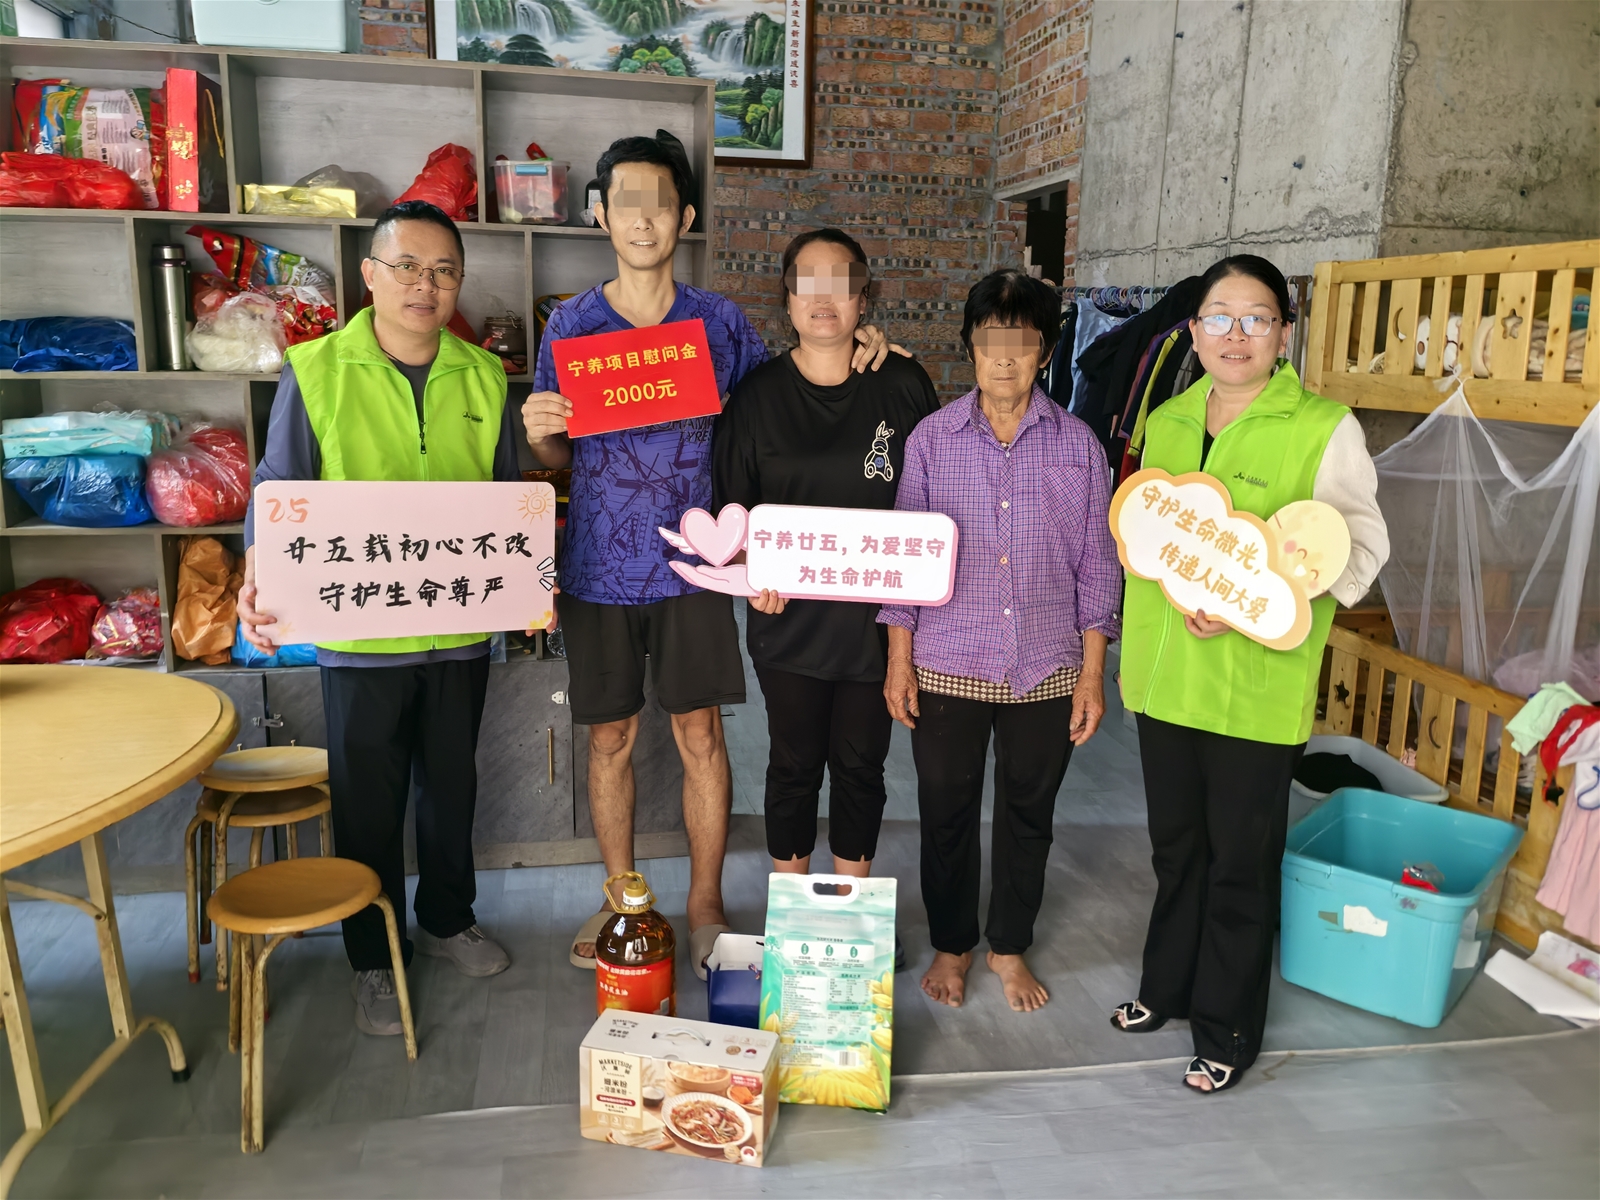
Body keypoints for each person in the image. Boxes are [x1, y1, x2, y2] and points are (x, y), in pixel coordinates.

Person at [520, 137, 903, 979]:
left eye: (660, 201)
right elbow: (560, 457)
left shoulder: (719, 323)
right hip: (598, 568)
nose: (643, 219)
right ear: (601, 215)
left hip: (697, 566)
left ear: (684, 216)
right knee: (611, 737)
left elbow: (783, 404)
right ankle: (620, 898)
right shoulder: (571, 324)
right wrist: (542, 436)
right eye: (626, 202)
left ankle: (705, 904)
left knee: (699, 733)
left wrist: (864, 347)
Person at [238, 200, 519, 1037]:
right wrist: (258, 573)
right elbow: (278, 491)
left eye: (443, 270)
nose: (424, 285)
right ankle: (373, 953)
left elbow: (511, 501)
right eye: (407, 267)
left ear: (459, 281)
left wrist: (524, 586)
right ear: (370, 275)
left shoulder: (484, 376)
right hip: (359, 636)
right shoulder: (317, 369)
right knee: (368, 802)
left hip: (458, 631)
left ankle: (447, 919)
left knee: (451, 786)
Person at [1110, 255, 1390, 1094]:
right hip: (1165, 678)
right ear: (1193, 331)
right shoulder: (1166, 418)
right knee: (1176, 850)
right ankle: (1166, 986)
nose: (1236, 336)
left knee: (1239, 860)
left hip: (1253, 690)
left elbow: (1360, 553)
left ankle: (1227, 1026)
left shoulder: (1323, 427)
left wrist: (1255, 599)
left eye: (1256, 318)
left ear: (1283, 333)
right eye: (1219, 318)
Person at [879, 268, 1122, 1013]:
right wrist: (898, 662)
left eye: (1021, 341)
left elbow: (1098, 567)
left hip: (1047, 668)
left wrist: (1092, 676)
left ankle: (1008, 946)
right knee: (946, 811)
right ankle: (953, 945)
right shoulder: (931, 441)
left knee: (1029, 815)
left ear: (1044, 350)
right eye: (990, 340)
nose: (1005, 357)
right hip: (947, 660)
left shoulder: (1080, 446)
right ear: (971, 348)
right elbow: (906, 561)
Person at [712, 227, 939, 910]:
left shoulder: (901, 383)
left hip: (879, 626)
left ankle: (845, 916)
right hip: (789, 624)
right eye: (806, 282)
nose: (823, 297)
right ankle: (792, 915)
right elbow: (732, 515)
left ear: (863, 298)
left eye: (841, 282)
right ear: (786, 299)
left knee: (861, 767)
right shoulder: (756, 398)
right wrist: (751, 572)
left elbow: (934, 502)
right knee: (792, 765)